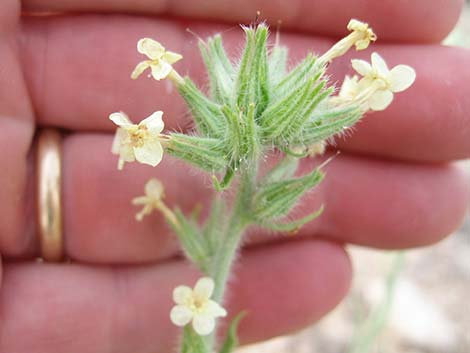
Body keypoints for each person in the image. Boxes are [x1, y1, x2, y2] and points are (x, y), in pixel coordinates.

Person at [1, 0, 469, 352]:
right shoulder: (233, 123)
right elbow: (239, 136)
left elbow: (267, 127)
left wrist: (335, 97)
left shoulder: (286, 118)